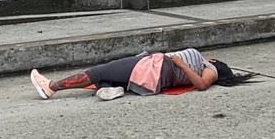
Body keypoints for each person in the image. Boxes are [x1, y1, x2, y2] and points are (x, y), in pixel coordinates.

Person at [29, 49, 256, 101]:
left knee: (99, 71)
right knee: (108, 73)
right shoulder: (206, 63)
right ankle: (112, 89)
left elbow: (202, 84)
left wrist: (179, 63)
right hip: (155, 68)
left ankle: (51, 87)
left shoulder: (212, 69)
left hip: (157, 68)